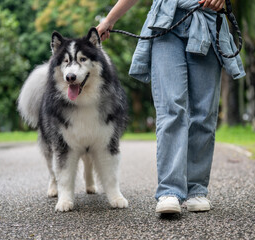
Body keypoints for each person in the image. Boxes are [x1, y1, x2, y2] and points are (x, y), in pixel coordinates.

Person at [97, 0, 245, 214]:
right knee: (171, 109)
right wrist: (109, 20)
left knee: (203, 113)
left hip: (208, 19)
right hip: (166, 23)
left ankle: (197, 190)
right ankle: (169, 191)